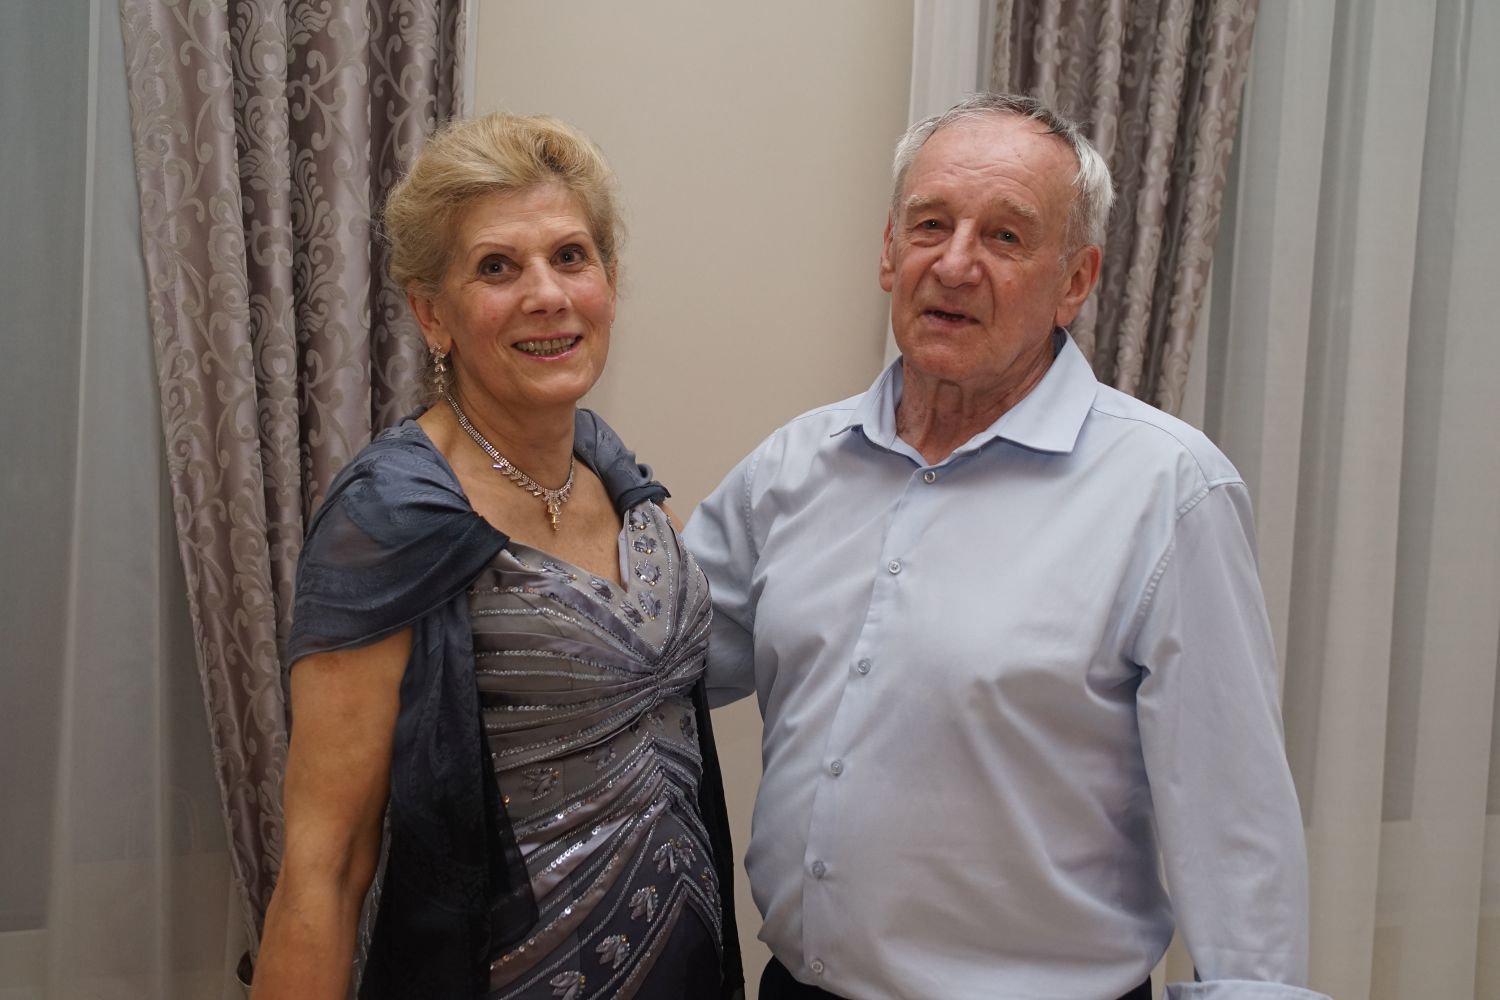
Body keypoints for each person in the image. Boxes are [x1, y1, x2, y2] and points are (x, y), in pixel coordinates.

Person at [685, 94, 1328, 1000]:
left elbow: (1235, 820)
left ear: (1076, 281)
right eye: (930, 225)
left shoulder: (1168, 490)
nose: (954, 264)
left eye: (1005, 237)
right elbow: (647, 664)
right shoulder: (794, 467)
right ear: (889, 251)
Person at [252, 112, 743, 1000]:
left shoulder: (608, 464)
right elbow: (326, 868)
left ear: (609, 281)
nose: (546, 294)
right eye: (496, 267)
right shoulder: (391, 516)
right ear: (431, 314)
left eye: (570, 256)